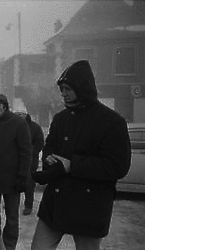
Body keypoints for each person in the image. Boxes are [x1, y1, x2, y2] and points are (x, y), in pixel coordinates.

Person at [30, 60, 131, 250]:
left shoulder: (112, 121)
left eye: (68, 89)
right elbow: (49, 146)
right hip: (56, 204)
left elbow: (117, 165)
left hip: (90, 207)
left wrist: (72, 165)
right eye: (62, 89)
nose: (64, 94)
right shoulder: (61, 119)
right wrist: (49, 159)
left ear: (83, 88)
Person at [0, 94, 32, 250]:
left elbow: (26, 151)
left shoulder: (18, 123)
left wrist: (22, 176)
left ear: (5, 106)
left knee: (12, 217)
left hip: (12, 179)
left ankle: (9, 245)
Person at [14, 110, 44, 216]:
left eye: (21, 113)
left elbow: (40, 142)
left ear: (26, 114)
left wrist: (30, 152)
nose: (19, 115)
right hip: (15, 159)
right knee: (14, 181)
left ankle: (28, 205)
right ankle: (13, 203)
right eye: (17, 114)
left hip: (30, 160)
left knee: (29, 183)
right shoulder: (14, 126)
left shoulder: (35, 127)